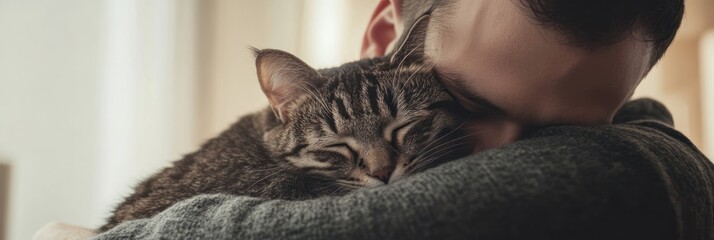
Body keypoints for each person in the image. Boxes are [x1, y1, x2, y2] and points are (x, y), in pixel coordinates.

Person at [34, 0, 713, 239]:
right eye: (469, 101)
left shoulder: (644, 171)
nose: (501, 150)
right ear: (387, 29)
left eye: (561, 136)